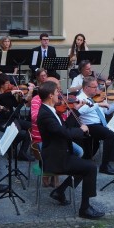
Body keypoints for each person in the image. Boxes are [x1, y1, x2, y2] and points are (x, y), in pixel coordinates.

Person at [37, 81, 104, 219]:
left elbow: (64, 127)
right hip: (55, 159)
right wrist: (81, 130)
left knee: (83, 166)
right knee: (90, 168)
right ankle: (85, 209)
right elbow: (65, 133)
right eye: (57, 93)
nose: (59, 95)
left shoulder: (50, 110)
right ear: (50, 95)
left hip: (60, 152)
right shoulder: (45, 115)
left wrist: (76, 111)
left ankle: (60, 191)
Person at [75, 76, 114, 175]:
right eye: (94, 87)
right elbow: (81, 111)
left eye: (97, 86)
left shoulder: (95, 98)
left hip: (100, 124)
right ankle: (104, 166)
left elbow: (107, 111)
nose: (97, 89)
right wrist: (98, 105)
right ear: (86, 88)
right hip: (89, 125)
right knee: (110, 135)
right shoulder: (80, 98)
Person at [0, 73, 33, 162]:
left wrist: (22, 97)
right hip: (1, 122)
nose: (10, 85)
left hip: (12, 119)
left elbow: (16, 104)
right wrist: (11, 92)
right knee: (23, 133)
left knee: (31, 127)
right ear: (1, 84)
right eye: (7, 83)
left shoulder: (9, 92)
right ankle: (12, 146)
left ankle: (20, 151)